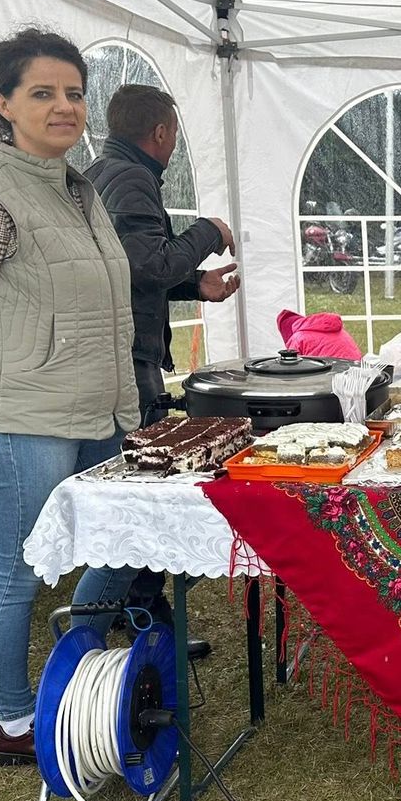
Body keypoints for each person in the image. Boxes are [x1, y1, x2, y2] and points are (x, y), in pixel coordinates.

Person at [0, 27, 139, 767]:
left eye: (74, 93)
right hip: (23, 423)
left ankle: (77, 668)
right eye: (43, 92)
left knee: (118, 540)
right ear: (4, 105)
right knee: (18, 571)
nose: (64, 106)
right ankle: (14, 722)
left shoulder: (82, 191)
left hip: (103, 411)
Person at [88, 84, 237, 639]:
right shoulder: (130, 179)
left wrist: (196, 285)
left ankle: (145, 618)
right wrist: (208, 232)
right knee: (145, 491)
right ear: (160, 132)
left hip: (120, 352)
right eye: (173, 132)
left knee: (139, 489)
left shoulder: (104, 173)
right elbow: (148, 265)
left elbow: (128, 271)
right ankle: (139, 620)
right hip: (129, 359)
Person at [276, 309, 363, 359]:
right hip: (358, 372)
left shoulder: (297, 338)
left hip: (335, 377)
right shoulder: (338, 330)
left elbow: (293, 369)